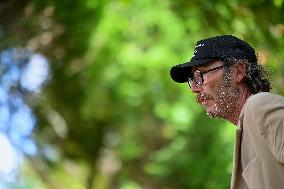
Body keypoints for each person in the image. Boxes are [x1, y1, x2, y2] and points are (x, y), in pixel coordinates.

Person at [170, 35, 284, 189]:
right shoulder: (247, 128)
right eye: (193, 78)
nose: (194, 89)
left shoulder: (260, 105)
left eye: (201, 74)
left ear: (238, 72)